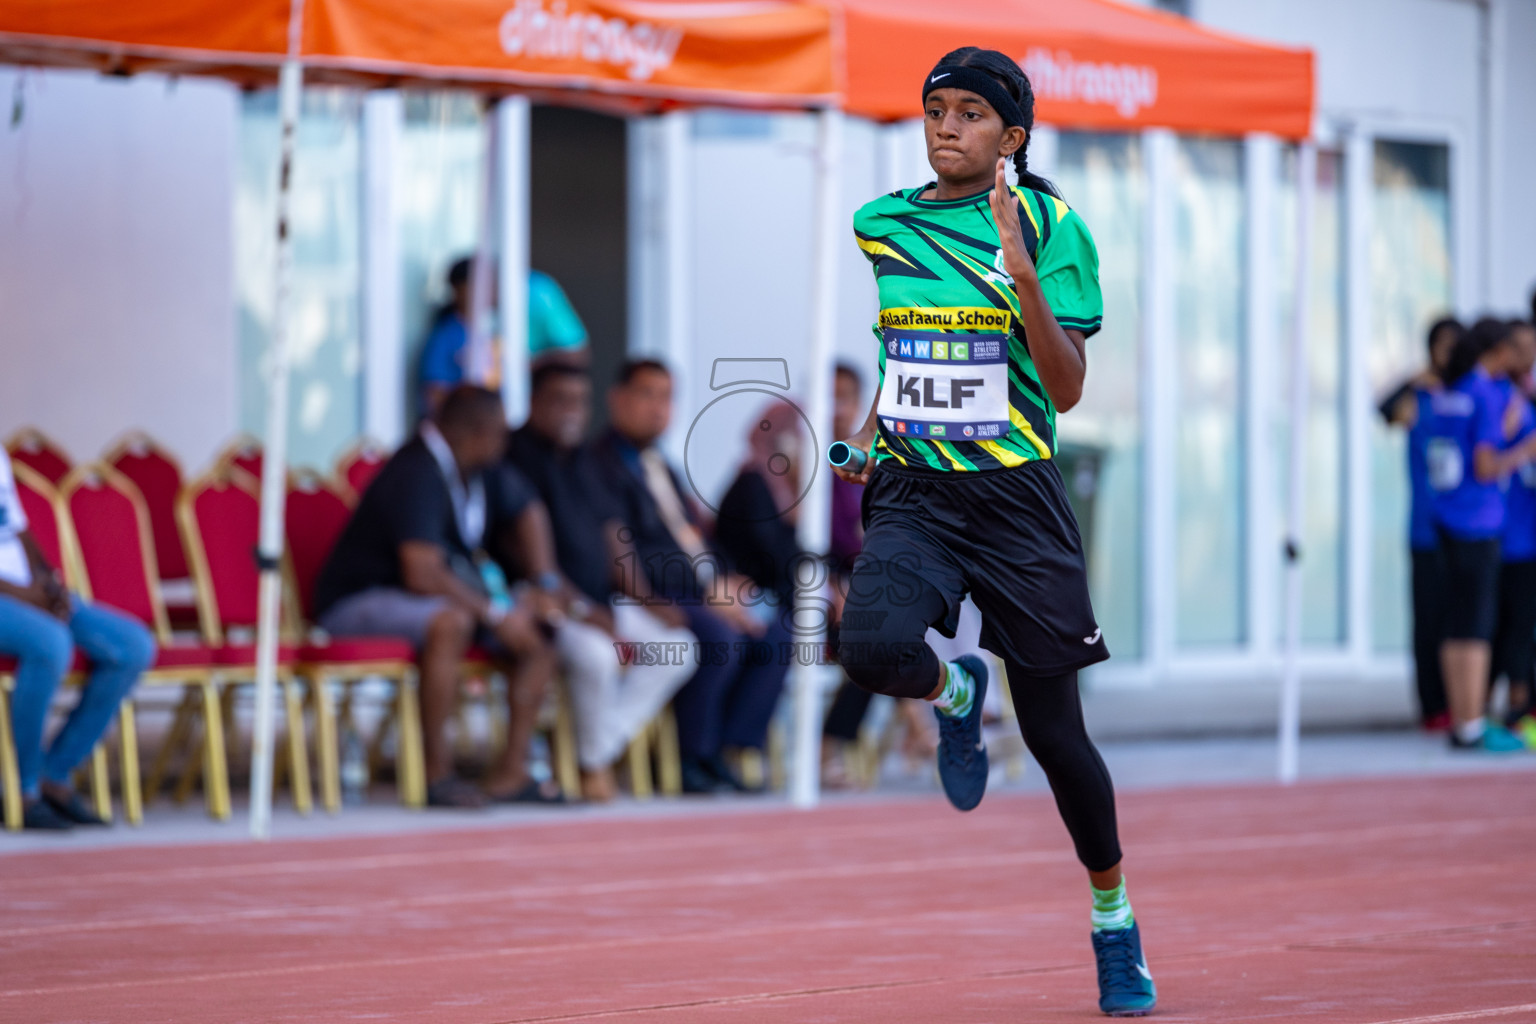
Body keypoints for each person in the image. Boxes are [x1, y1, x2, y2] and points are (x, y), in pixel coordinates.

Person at [829, 48, 1154, 1016]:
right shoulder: (881, 226)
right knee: (871, 645)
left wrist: (1021, 277)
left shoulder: (1053, 228)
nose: (946, 126)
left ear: (1011, 137)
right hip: (917, 492)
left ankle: (1113, 916)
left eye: (971, 114)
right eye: (935, 108)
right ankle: (956, 684)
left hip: (1015, 500)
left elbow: (1064, 387)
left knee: (1058, 737)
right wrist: (865, 437)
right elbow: (906, 359)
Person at [312, 385, 564, 807]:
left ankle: (512, 772)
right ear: (474, 433)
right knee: (452, 623)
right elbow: (421, 573)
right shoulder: (417, 470)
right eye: (501, 433)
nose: (507, 443)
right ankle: (436, 773)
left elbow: (529, 507)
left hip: (427, 600)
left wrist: (542, 584)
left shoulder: (476, 469)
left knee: (538, 635)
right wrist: (495, 613)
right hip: (358, 601)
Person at [591, 359, 790, 794]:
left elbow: (693, 538)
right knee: (721, 637)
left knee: (777, 631)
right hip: (651, 595)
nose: (658, 408)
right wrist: (708, 589)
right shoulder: (599, 467)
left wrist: (728, 579)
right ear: (617, 399)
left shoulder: (661, 465)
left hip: (699, 588)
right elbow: (634, 551)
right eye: (646, 395)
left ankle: (729, 750)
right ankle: (688, 757)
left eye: (666, 397)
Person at [507, 362, 696, 800]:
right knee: (597, 656)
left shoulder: (583, 459)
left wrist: (645, 600)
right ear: (533, 402)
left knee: (680, 648)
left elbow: (614, 535)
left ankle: (593, 751)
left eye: (578, 402)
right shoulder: (517, 457)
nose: (571, 412)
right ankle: (593, 766)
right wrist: (581, 609)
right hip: (544, 604)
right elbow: (527, 554)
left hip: (599, 600)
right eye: (559, 401)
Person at [0, 448, 156, 829]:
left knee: (133, 646)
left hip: (27, 594)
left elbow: (16, 526)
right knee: (51, 644)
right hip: (11, 600)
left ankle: (57, 773)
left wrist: (49, 582)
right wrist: (24, 597)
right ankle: (23, 787)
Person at [1427, 320, 1536, 752]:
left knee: (1457, 621)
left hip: (1448, 517)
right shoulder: (1486, 392)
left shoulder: (1452, 392)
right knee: (1476, 624)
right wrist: (1525, 449)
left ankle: (1462, 719)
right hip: (1480, 520)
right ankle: (1472, 722)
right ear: (1499, 350)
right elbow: (1487, 465)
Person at [1379, 317, 1463, 730]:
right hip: (1427, 529)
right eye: (1441, 346)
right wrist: (1416, 380)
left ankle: (1466, 700)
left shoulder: (1469, 394)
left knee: (1463, 618)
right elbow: (1383, 409)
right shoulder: (1419, 397)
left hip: (1468, 527)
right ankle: (1433, 706)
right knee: (1429, 619)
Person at [419, 258, 590, 415]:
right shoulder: (447, 335)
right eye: (482, 285)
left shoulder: (499, 325)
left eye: (492, 283)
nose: (492, 290)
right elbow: (435, 394)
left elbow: (578, 352)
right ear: (460, 292)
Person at [1493, 319, 1536, 743]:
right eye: (1519, 346)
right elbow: (1487, 454)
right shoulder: (1499, 399)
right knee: (1509, 626)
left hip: (1527, 532)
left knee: (1524, 625)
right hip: (1502, 534)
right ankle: (1510, 710)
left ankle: (1523, 707)